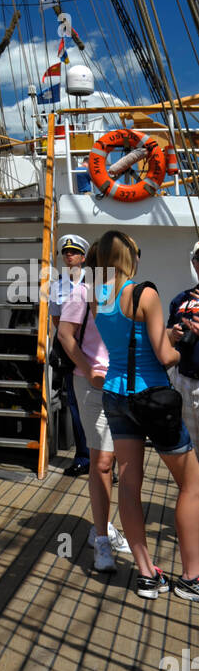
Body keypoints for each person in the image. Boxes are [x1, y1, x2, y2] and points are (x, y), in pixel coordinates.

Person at [91, 229, 199, 601]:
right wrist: (181, 341)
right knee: (191, 485)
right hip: (151, 396)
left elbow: (127, 342)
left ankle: (146, 574)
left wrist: (163, 334)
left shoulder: (98, 296)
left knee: (130, 486)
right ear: (129, 257)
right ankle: (192, 578)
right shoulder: (145, 293)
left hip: (115, 397)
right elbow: (165, 357)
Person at [56, 242, 129, 571]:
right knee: (102, 462)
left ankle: (111, 527)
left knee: (123, 464)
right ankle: (101, 537)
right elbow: (65, 335)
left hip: (127, 386)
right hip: (93, 386)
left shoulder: (132, 295)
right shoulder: (82, 294)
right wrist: (88, 370)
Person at [51, 233, 91, 476]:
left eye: (74, 252)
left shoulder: (97, 283)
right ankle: (84, 456)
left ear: (83, 257)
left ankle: (106, 460)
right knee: (76, 405)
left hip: (95, 351)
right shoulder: (57, 285)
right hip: (70, 350)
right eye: (66, 252)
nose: (69, 255)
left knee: (103, 408)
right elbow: (56, 319)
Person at [166, 240, 199, 452]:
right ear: (194, 263)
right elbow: (166, 338)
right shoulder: (181, 298)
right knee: (189, 448)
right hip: (184, 379)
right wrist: (173, 334)